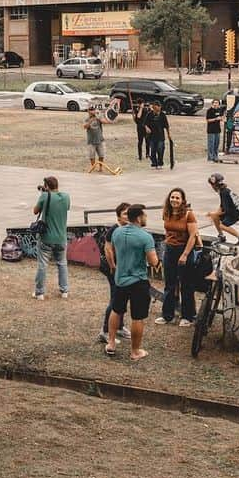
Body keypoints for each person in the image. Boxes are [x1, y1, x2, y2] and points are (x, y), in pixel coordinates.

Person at [107, 204, 160, 361]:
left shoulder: (117, 232)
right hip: (138, 281)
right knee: (137, 317)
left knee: (116, 310)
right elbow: (152, 261)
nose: (146, 218)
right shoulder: (145, 237)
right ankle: (135, 351)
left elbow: (113, 250)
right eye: (144, 215)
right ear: (138, 217)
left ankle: (111, 343)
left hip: (120, 279)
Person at [155, 188, 200, 327]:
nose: (174, 200)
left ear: (182, 200)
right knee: (169, 284)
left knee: (186, 285)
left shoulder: (188, 214)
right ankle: (167, 315)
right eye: (172, 197)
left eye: (177, 198)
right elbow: (168, 231)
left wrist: (185, 254)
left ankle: (188, 316)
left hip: (184, 250)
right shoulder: (166, 213)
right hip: (169, 250)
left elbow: (193, 235)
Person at [97, 202, 132, 344]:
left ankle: (119, 326)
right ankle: (105, 331)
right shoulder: (114, 230)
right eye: (125, 214)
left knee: (122, 297)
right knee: (115, 299)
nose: (128, 216)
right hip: (113, 269)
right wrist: (113, 267)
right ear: (118, 217)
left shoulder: (127, 229)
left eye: (129, 213)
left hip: (123, 269)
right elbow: (108, 249)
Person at [32, 176, 71, 300]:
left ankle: (40, 293)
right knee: (62, 263)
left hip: (46, 238)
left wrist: (43, 195)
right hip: (61, 237)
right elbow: (64, 207)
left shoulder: (44, 196)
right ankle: (64, 291)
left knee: (42, 265)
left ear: (47, 186)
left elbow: (35, 211)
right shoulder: (66, 196)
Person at [207, 173, 239, 245]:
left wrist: (213, 213)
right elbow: (222, 205)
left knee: (222, 226)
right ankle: (221, 236)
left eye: (211, 185)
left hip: (237, 212)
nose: (211, 187)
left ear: (214, 185)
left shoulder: (224, 192)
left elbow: (226, 210)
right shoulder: (224, 190)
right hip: (238, 209)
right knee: (214, 216)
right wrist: (215, 214)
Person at [83, 108, 119, 175]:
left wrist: (98, 118)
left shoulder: (98, 117)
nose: (92, 111)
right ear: (88, 111)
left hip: (100, 140)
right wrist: (91, 120)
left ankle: (100, 168)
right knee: (92, 156)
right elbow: (85, 126)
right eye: (91, 110)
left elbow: (105, 122)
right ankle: (93, 168)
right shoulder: (86, 119)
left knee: (101, 155)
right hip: (91, 141)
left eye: (93, 110)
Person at [143, 101, 170, 170]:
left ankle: (160, 162)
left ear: (159, 107)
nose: (155, 110)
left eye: (156, 108)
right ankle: (154, 163)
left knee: (160, 149)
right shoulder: (150, 114)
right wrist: (147, 128)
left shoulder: (162, 115)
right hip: (152, 136)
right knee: (153, 150)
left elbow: (166, 126)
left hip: (160, 136)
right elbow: (145, 123)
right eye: (154, 108)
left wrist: (169, 135)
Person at [205, 98, 225, 163]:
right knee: (211, 144)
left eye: (217, 103)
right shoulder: (209, 110)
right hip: (211, 130)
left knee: (216, 144)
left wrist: (222, 118)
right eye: (215, 103)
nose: (216, 104)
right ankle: (210, 158)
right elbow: (208, 120)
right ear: (212, 103)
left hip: (217, 130)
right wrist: (216, 119)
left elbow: (221, 118)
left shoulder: (219, 110)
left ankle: (215, 157)